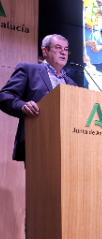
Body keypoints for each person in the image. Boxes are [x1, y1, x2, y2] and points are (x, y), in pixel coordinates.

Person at [0, 34, 78, 162]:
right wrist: (22, 106)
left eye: (65, 49)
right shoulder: (29, 70)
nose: (63, 52)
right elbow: (4, 95)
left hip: (68, 145)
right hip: (37, 141)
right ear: (45, 51)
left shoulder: (71, 83)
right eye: (58, 48)